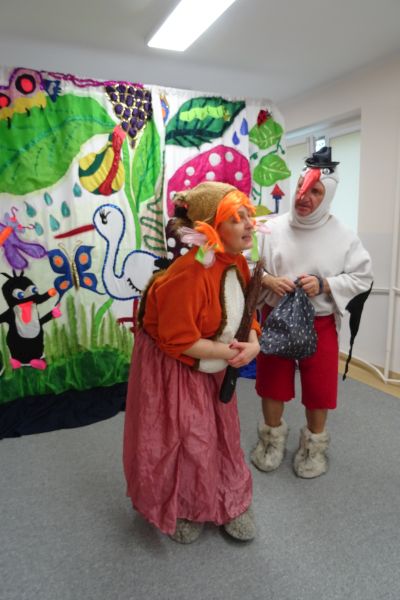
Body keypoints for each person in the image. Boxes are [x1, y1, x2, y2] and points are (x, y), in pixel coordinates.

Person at [123, 181, 261, 543]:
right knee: (188, 437)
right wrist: (232, 353)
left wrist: (253, 343)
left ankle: (228, 500)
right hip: (175, 364)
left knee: (222, 433)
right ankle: (185, 505)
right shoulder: (189, 274)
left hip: (214, 357)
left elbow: (245, 311)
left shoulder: (238, 263)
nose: (250, 224)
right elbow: (178, 340)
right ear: (212, 228)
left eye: (248, 215)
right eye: (237, 217)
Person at [251, 146, 373, 479]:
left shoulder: (344, 236)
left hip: (319, 324)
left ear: (328, 195)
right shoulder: (270, 228)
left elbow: (362, 277)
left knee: (319, 388)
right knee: (271, 384)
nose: (304, 197)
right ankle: (271, 441)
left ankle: (313, 447)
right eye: (302, 188)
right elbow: (244, 264)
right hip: (275, 318)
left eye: (315, 191)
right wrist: (267, 279)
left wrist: (326, 284)